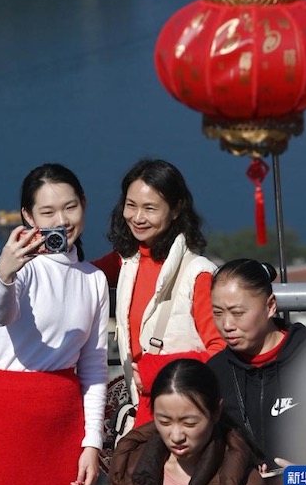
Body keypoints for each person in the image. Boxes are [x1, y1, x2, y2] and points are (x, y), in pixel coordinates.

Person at [0, 163, 110, 485]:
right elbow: (0, 312)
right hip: (2, 418)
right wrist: (4, 272)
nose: (61, 220)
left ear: (84, 205)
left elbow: (93, 366)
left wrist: (92, 442)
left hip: (61, 422)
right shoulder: (22, 269)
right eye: (47, 212)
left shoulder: (93, 280)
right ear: (28, 216)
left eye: (70, 207)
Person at [94, 158, 224, 426]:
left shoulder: (198, 273)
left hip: (185, 418)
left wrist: (156, 370)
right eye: (130, 205)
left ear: (176, 209)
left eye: (150, 208)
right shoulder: (126, 260)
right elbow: (77, 277)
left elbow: (220, 351)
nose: (137, 218)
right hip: (144, 415)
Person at [107, 358, 280, 485]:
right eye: (164, 422)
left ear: (216, 412)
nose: (176, 436)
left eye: (189, 423)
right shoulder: (132, 469)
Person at [208, 258, 306, 473]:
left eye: (238, 313)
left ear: (270, 306)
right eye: (218, 313)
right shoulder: (214, 373)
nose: (227, 325)